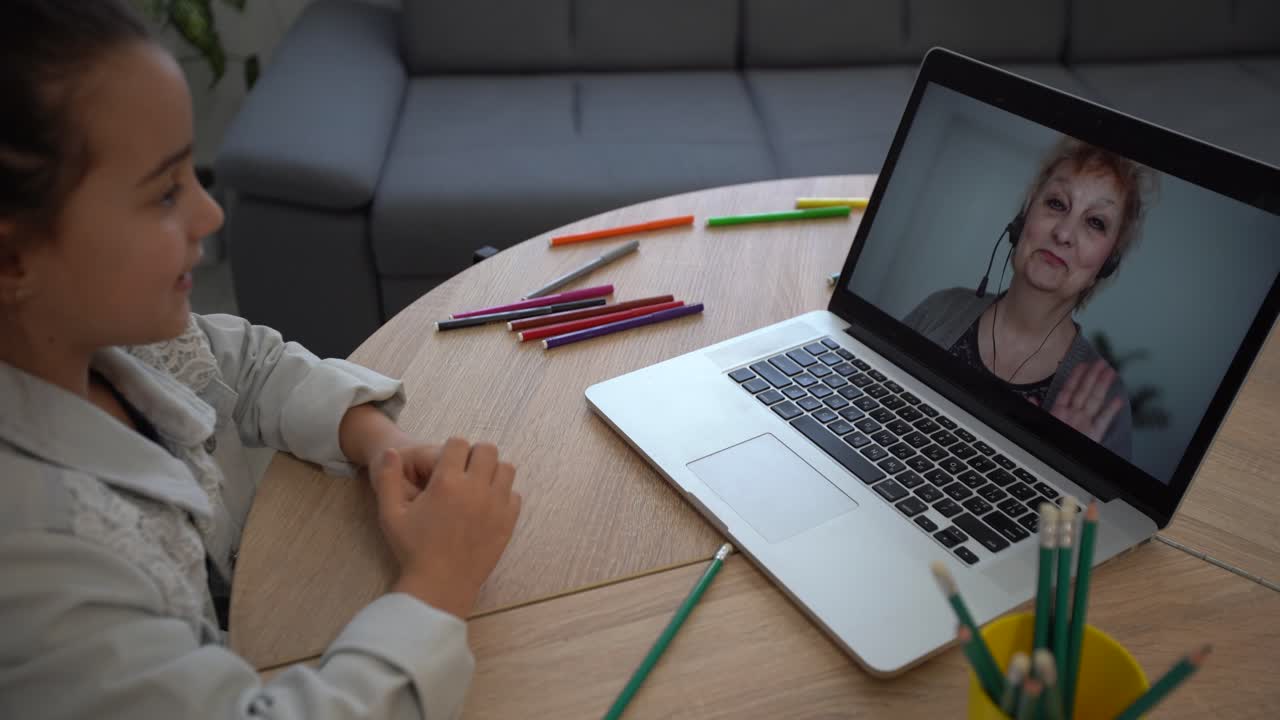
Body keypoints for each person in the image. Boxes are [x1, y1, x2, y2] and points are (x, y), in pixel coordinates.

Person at [0, 2, 521, 718]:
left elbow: (244, 365)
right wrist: (439, 580)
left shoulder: (97, 334)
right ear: (12, 256)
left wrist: (383, 448)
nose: (211, 216)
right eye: (164, 192)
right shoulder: (38, 561)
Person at [903, 136, 1157, 460]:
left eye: (1095, 222)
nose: (1063, 234)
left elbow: (1086, 513)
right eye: (1056, 204)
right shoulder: (942, 306)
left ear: (1107, 264)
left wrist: (1066, 465)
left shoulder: (1105, 402)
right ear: (1023, 220)